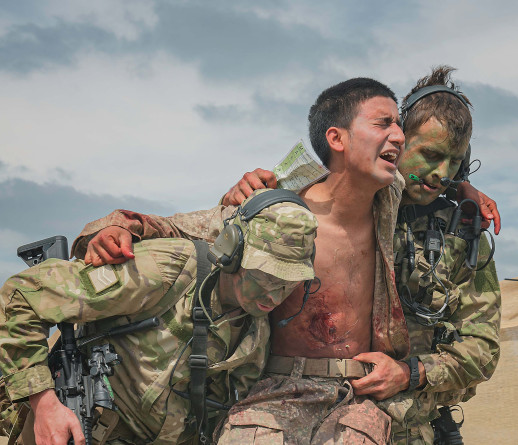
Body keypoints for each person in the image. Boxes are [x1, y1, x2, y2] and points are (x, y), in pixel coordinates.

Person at [70, 78, 412, 444]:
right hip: (275, 392)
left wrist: (471, 193)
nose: (399, 135)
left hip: (360, 396)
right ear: (337, 139)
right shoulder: (276, 210)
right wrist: (113, 227)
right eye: (383, 123)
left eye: (399, 124)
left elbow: (440, 174)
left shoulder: (392, 198)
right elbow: (180, 227)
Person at [213, 66, 502, 444]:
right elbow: (248, 215)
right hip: (290, 408)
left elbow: (482, 348)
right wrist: (243, 192)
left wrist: (410, 372)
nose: (440, 174)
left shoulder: (463, 233)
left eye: (455, 163)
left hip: (404, 424)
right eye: (430, 155)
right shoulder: (332, 193)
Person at [0, 191, 318, 445]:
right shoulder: (165, 271)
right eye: (266, 276)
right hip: (68, 429)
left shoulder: (257, 335)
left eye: (288, 282)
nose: (275, 295)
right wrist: (43, 404)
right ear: (232, 251)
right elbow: (20, 296)